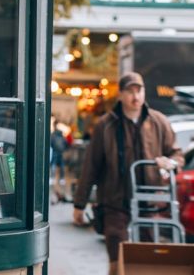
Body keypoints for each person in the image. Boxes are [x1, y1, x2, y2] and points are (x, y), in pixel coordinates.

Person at [72, 72, 184, 275]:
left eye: (139, 90)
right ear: (120, 95)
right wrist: (80, 204)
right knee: (117, 257)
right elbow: (91, 166)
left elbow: (176, 153)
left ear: (144, 92)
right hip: (115, 202)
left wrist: (170, 162)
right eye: (130, 91)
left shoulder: (158, 121)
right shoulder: (106, 125)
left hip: (150, 202)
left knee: (149, 258)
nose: (135, 96)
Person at [50, 117, 68, 201]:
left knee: (53, 165)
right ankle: (61, 178)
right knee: (61, 165)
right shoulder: (61, 134)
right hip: (60, 151)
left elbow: (51, 142)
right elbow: (65, 143)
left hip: (55, 151)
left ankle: (53, 177)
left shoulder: (53, 134)